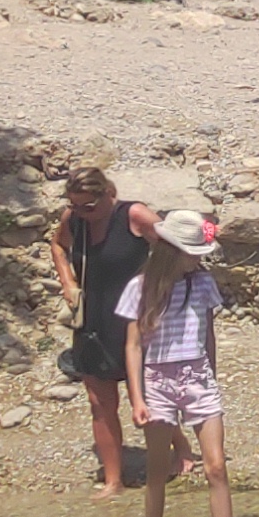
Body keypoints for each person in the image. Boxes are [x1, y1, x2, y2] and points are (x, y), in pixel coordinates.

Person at [120, 212, 234, 517]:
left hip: (198, 376)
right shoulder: (139, 288)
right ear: (174, 250)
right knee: (157, 470)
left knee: (216, 466)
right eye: (193, 251)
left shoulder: (203, 283)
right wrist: (137, 398)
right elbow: (133, 345)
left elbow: (208, 334)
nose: (199, 257)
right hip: (157, 380)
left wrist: (211, 374)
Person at [48, 168, 155, 497]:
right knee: (99, 401)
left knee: (153, 396)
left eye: (89, 206)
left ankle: (177, 452)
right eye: (75, 205)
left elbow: (172, 247)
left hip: (136, 319)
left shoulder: (134, 215)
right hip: (92, 318)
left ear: (109, 194)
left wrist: (158, 288)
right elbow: (57, 245)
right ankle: (113, 481)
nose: (82, 213)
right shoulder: (74, 219)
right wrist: (67, 281)